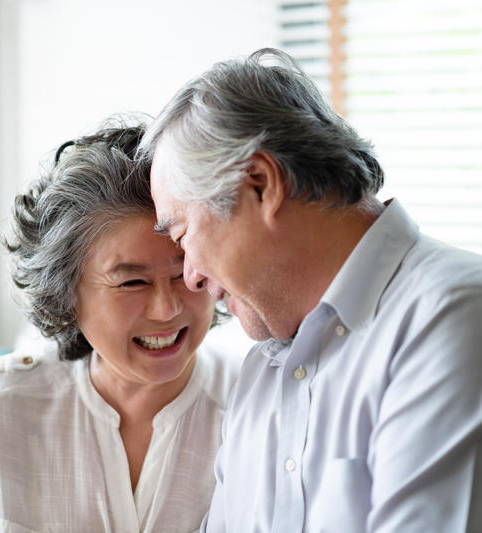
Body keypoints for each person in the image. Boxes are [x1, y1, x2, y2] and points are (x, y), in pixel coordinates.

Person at [140, 48, 482, 532]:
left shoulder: (451, 318)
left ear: (260, 184)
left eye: (182, 236)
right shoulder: (263, 371)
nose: (191, 276)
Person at [0, 120, 238, 532]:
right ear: (66, 294)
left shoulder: (250, 405)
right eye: (132, 282)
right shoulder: (1, 406)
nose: (166, 310)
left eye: (183, 273)